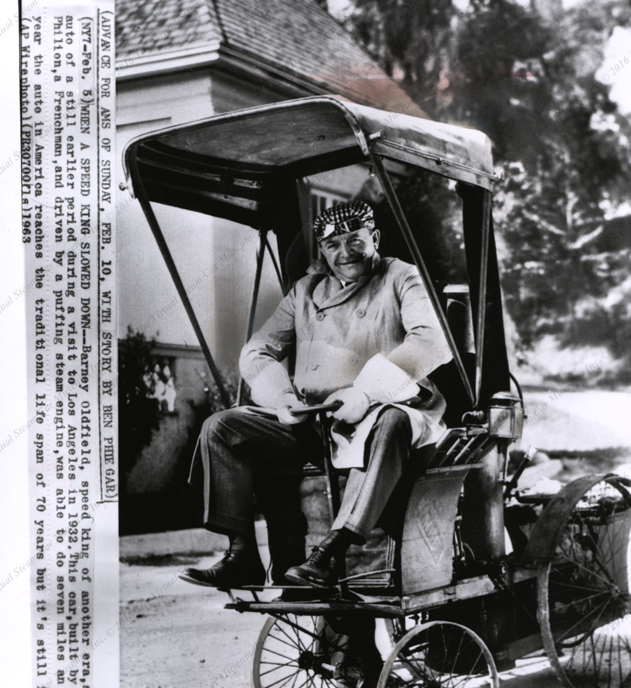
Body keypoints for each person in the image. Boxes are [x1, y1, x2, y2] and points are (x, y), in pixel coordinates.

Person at [185, 200, 452, 591]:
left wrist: (364, 392)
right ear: (322, 251)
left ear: (374, 239)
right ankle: (241, 553)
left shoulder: (400, 277)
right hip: (317, 420)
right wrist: (282, 399)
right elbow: (256, 350)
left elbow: (430, 341)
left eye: (355, 241)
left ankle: (331, 552)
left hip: (387, 405)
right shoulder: (306, 291)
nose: (344, 254)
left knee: (392, 422)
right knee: (222, 428)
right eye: (333, 245)